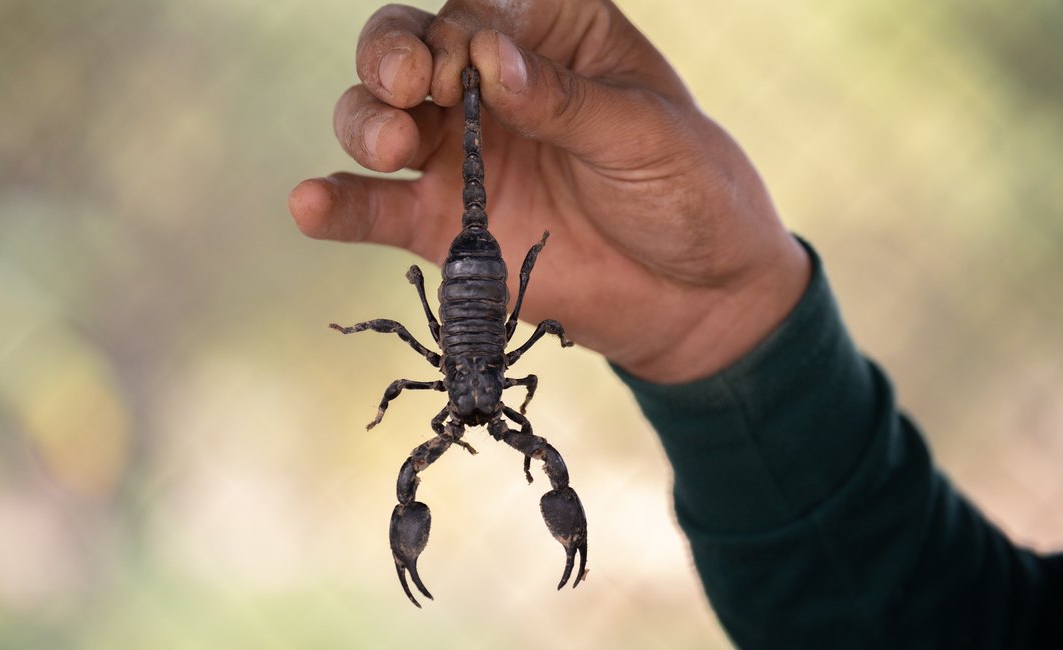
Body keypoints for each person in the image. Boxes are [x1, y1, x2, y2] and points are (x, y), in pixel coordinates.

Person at [288, 1, 1062, 646]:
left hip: (469, 296)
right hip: (485, 294)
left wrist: (715, 332)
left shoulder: (461, 403)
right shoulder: (505, 391)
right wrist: (724, 328)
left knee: (428, 425)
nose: (486, 425)